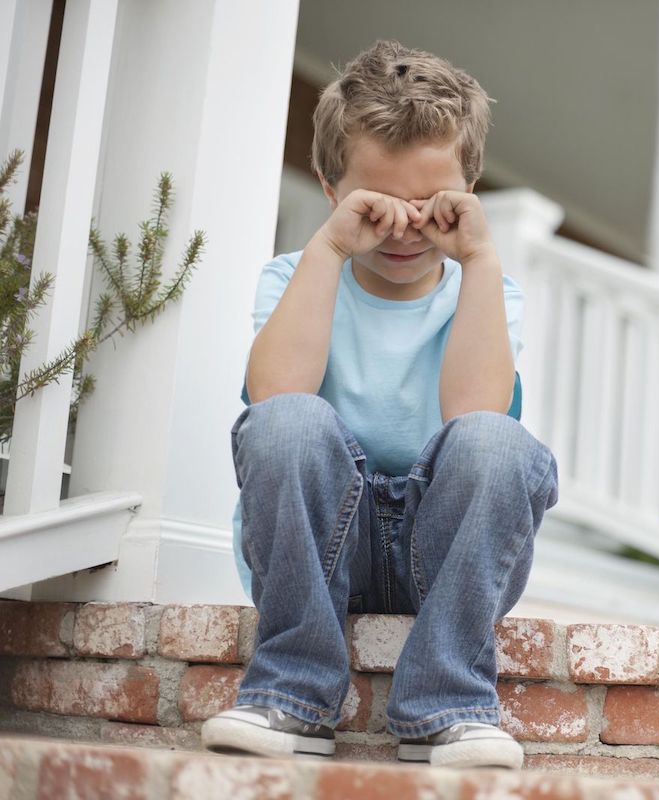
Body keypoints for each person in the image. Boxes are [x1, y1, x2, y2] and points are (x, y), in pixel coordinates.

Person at [200, 41, 558, 769]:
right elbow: (275, 407)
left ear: (469, 189)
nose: (404, 226)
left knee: (501, 443)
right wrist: (328, 251)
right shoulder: (297, 275)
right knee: (286, 422)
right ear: (333, 192)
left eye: (431, 203)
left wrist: (482, 261)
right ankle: (290, 696)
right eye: (378, 201)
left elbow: (476, 417)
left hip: (443, 552)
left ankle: (450, 704)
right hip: (320, 549)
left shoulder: (489, 291)